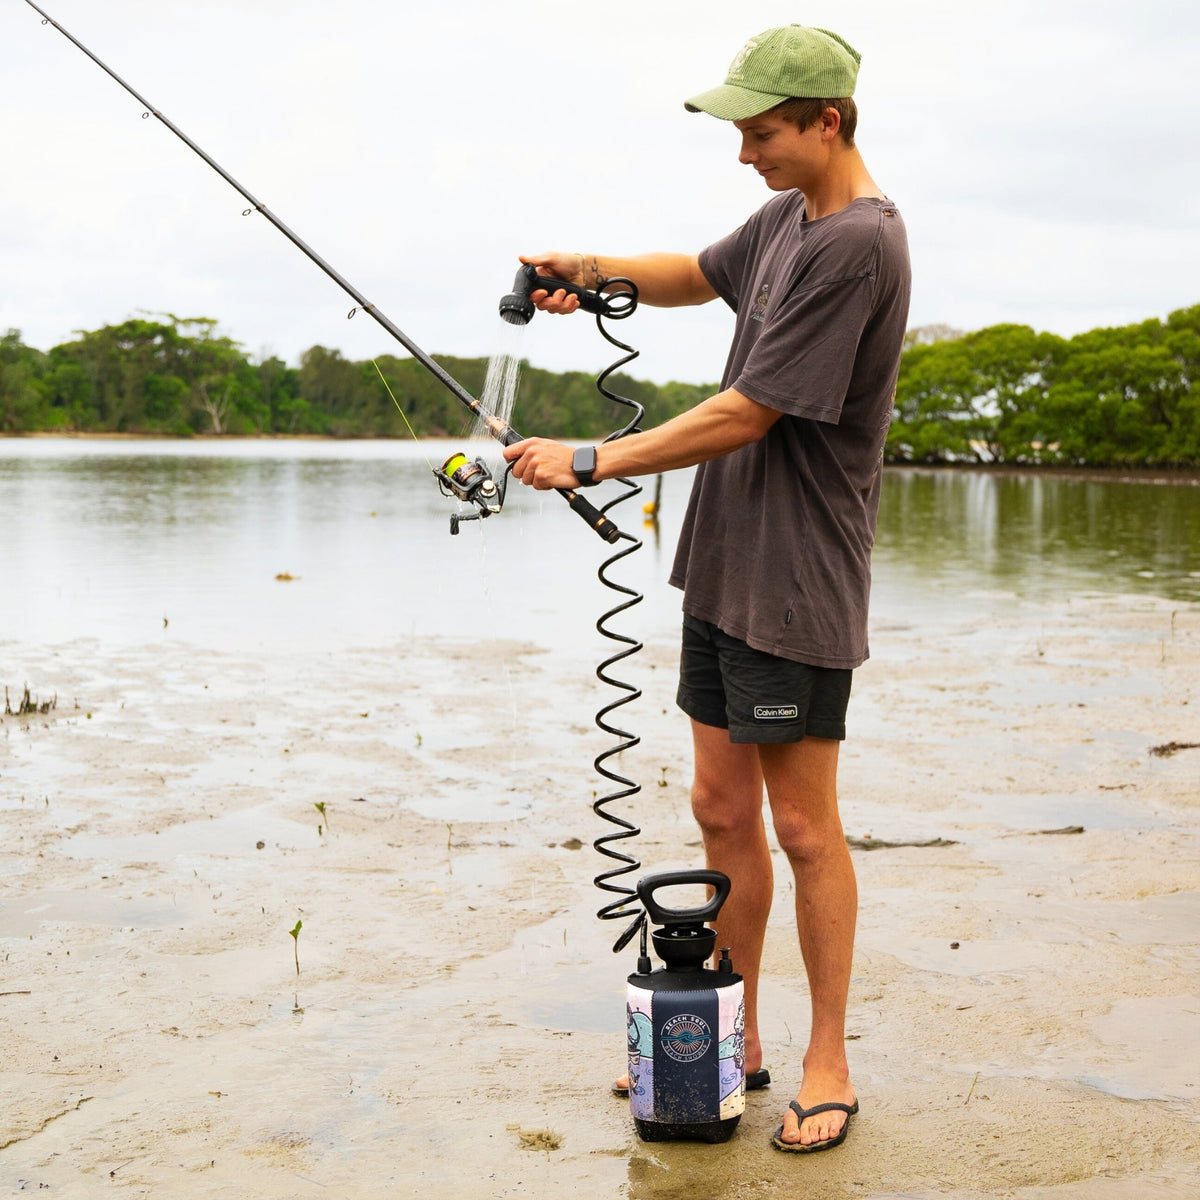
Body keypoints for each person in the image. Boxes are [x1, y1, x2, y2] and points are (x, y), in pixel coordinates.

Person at [502, 24, 911, 1154]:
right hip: (725, 564)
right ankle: (739, 1033)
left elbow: (750, 411)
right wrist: (588, 273)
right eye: (740, 131)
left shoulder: (860, 245)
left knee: (804, 827)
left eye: (764, 131)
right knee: (720, 809)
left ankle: (828, 1060)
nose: (746, 152)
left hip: (796, 581)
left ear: (828, 120)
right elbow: (695, 275)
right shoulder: (787, 220)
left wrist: (592, 456)